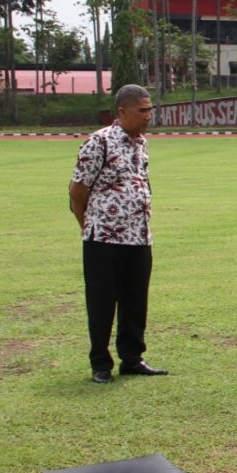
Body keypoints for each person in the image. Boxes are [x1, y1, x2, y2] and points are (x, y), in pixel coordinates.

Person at [69, 84, 167, 384]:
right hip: (104, 239)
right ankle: (100, 363)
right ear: (122, 111)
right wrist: (89, 224)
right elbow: (77, 189)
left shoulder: (141, 143)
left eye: (150, 109)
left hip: (138, 236)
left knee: (135, 300)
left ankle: (132, 357)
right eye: (143, 110)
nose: (149, 116)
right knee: (101, 301)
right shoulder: (99, 142)